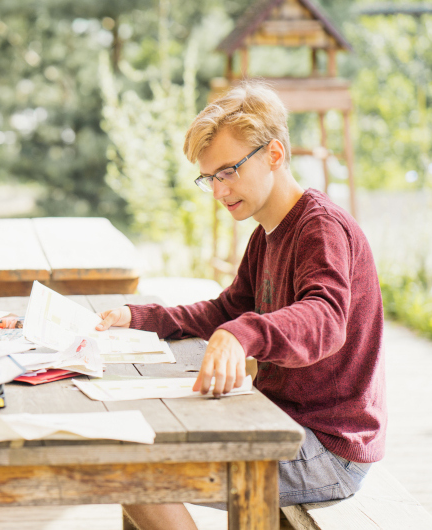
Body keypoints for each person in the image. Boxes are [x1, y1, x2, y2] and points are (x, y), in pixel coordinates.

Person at [96, 81, 386, 529]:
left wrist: (242, 334)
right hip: (275, 419)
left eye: (227, 171)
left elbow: (326, 318)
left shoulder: (321, 230)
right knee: (130, 448)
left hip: (327, 448)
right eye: (209, 178)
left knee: (138, 473)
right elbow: (224, 310)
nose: (217, 190)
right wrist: (140, 317)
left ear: (274, 154)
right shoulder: (265, 235)